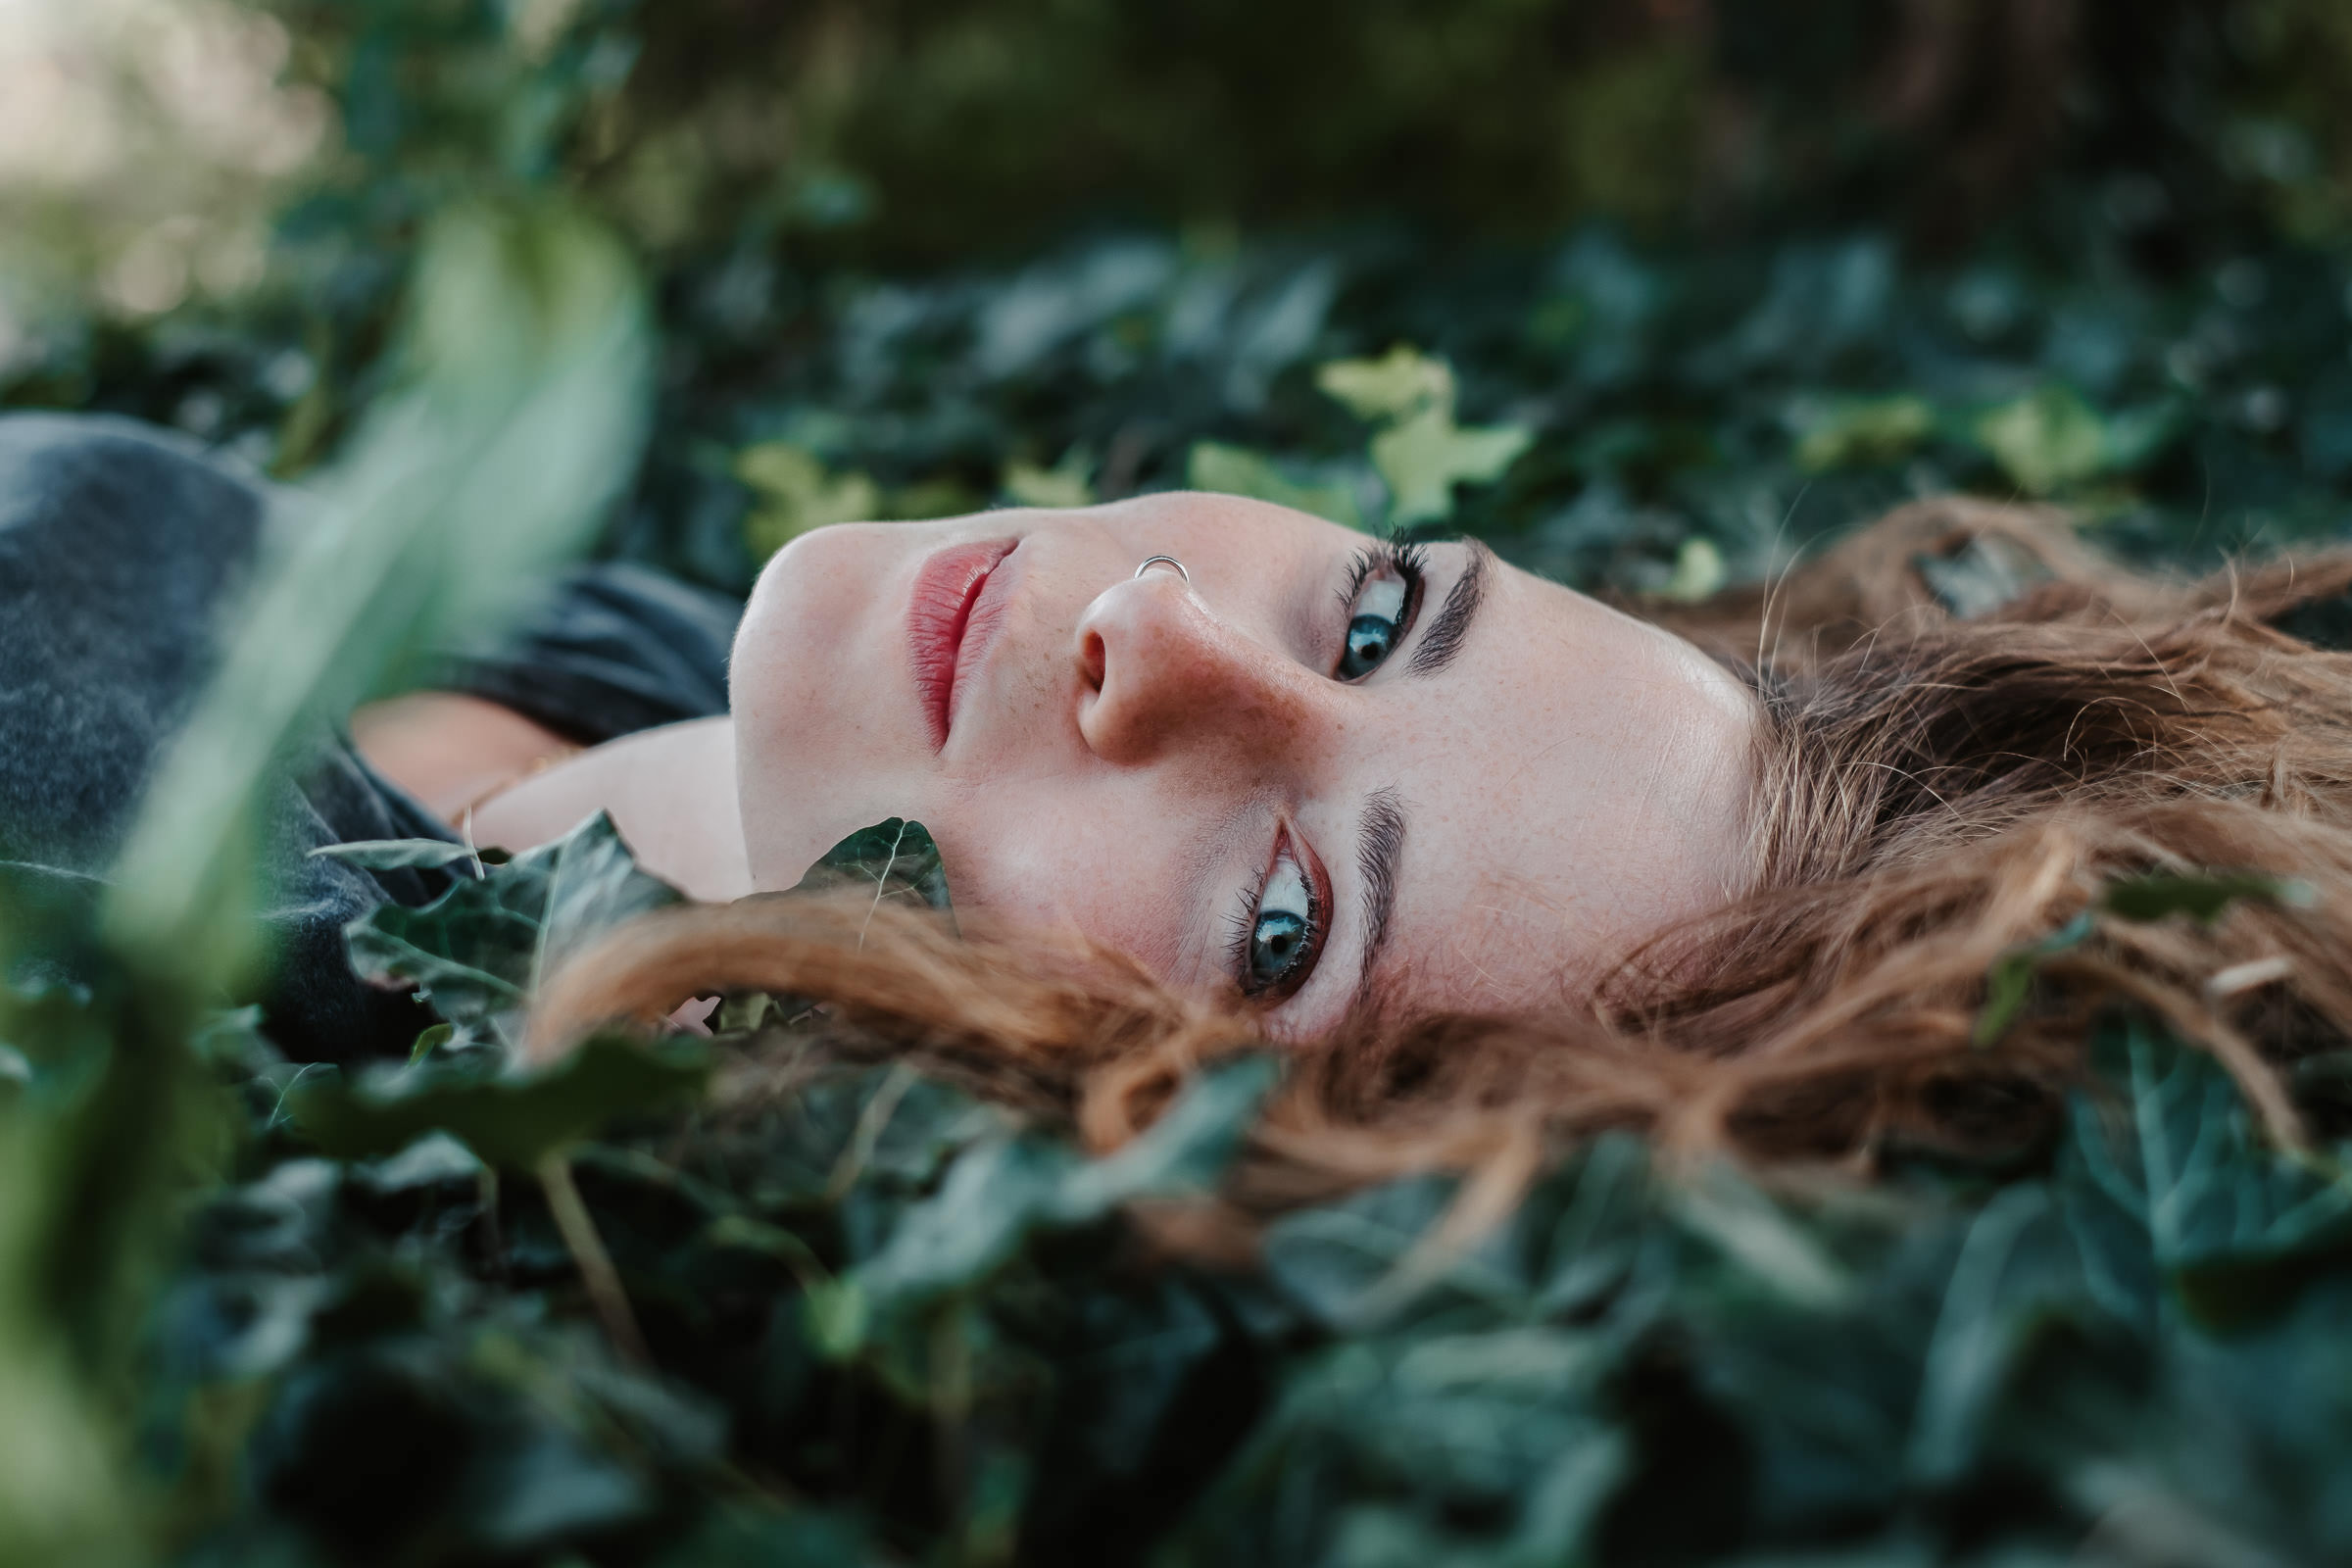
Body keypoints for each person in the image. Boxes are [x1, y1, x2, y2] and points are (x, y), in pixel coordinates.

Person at [7, 411, 2351, 1198]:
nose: (1171, 644)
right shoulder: (633, 640)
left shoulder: (100, 869)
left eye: (1281, 927)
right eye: (1371, 620)